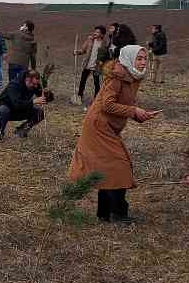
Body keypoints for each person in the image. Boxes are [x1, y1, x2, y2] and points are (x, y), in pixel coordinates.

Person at [68, 45, 162, 224]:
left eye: (144, 58)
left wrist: (140, 115)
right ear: (129, 59)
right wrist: (133, 111)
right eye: (139, 58)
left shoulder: (132, 76)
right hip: (98, 126)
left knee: (108, 169)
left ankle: (104, 214)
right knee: (119, 167)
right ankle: (118, 214)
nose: (143, 62)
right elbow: (107, 105)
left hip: (108, 126)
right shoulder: (117, 77)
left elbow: (123, 105)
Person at [0, 69, 49, 140]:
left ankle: (21, 130)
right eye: (34, 84)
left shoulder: (34, 85)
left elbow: (44, 98)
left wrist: (47, 93)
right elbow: (17, 103)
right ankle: (0, 133)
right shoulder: (13, 85)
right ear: (27, 79)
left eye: (37, 84)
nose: (36, 86)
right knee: (3, 110)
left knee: (40, 113)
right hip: (6, 108)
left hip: (20, 110)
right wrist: (33, 102)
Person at [74, 26, 106, 100]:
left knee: (96, 82)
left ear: (102, 34)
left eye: (98, 32)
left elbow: (105, 55)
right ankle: (79, 96)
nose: (95, 33)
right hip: (88, 64)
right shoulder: (90, 41)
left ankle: (96, 98)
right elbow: (83, 50)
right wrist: (77, 52)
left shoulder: (104, 43)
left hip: (97, 66)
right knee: (83, 80)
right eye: (95, 31)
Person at [8, 21, 37, 86]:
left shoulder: (18, 34)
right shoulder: (33, 40)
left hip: (13, 62)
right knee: (23, 82)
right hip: (24, 64)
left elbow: (6, 35)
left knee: (12, 82)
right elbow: (33, 56)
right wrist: (33, 68)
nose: (22, 26)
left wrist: (19, 31)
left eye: (24, 25)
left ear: (26, 28)